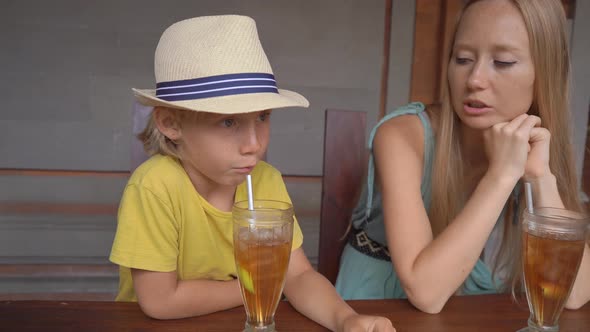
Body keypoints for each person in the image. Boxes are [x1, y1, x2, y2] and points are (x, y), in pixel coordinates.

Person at [109, 15, 395, 331]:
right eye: (228, 122)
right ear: (171, 124)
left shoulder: (265, 180)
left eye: (262, 117)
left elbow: (297, 275)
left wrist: (347, 320)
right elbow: (160, 302)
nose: (254, 144)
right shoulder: (155, 187)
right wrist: (264, 284)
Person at [335, 0, 590, 314]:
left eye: (503, 62)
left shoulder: (534, 149)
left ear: (545, 75)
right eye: (463, 58)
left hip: (469, 312)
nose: (474, 80)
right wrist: (501, 176)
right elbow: (425, 292)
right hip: (378, 309)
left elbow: (576, 293)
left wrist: (540, 177)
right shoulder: (401, 137)